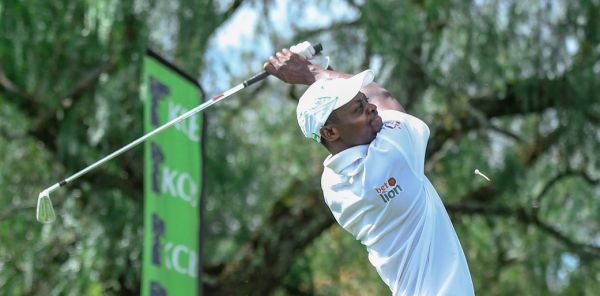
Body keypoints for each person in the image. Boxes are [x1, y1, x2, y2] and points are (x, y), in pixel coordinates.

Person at [264, 44, 475, 296]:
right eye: (358, 109)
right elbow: (383, 97)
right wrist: (312, 71)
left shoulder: (332, 183)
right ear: (330, 132)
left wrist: (325, 74)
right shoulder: (391, 158)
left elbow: (359, 115)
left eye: (363, 102)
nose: (371, 108)